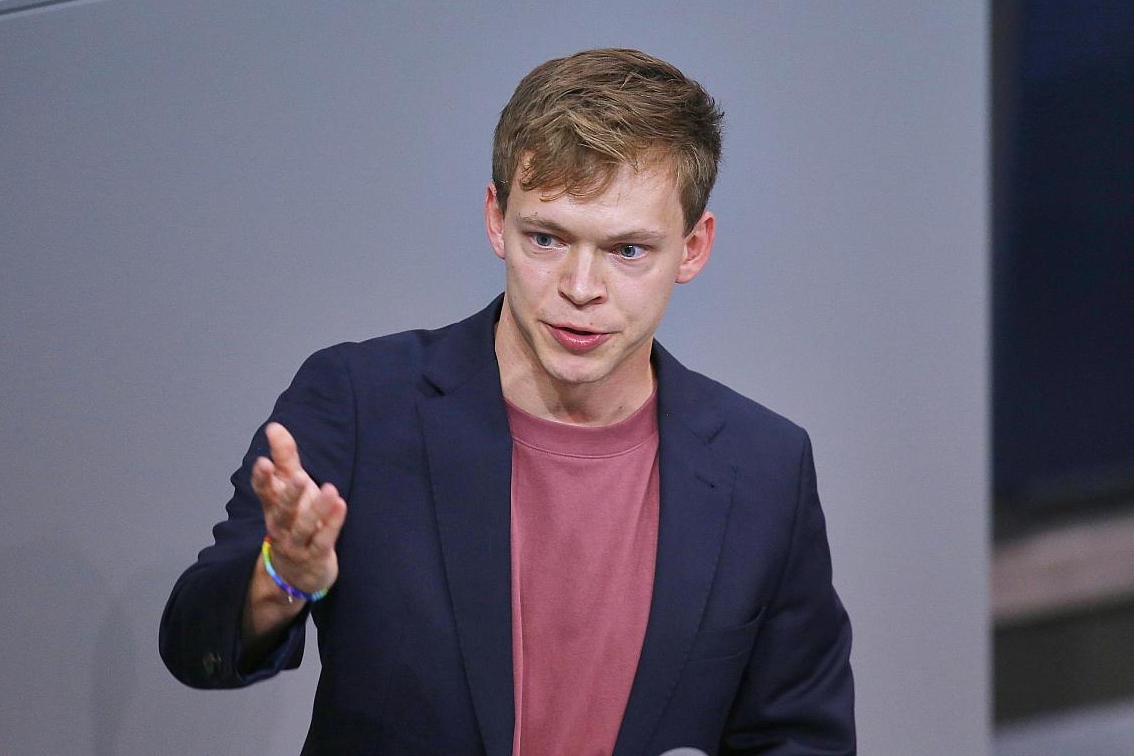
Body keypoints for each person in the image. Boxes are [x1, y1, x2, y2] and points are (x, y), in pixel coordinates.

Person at [160, 48, 854, 755]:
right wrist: (282, 578)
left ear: (694, 247)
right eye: (546, 238)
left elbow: (800, 737)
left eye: (628, 251)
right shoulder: (361, 402)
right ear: (496, 220)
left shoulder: (764, 466)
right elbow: (191, 642)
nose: (580, 288)